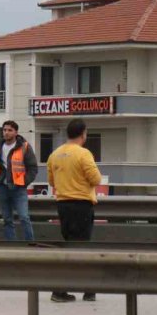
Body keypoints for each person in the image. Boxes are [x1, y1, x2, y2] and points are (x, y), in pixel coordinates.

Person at [47, 118, 102, 303]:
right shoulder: (83, 154)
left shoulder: (55, 154)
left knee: (71, 245)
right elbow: (96, 179)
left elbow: (51, 182)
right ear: (83, 133)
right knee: (82, 248)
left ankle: (81, 289)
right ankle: (71, 290)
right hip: (81, 205)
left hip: (63, 205)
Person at [0, 120, 39, 241]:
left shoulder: (24, 146)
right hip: (3, 187)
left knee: (24, 217)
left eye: (10, 130)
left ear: (16, 132)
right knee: (7, 219)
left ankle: (30, 243)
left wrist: (24, 181)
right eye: (4, 130)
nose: (6, 132)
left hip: (18, 187)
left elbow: (32, 168)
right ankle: (10, 244)